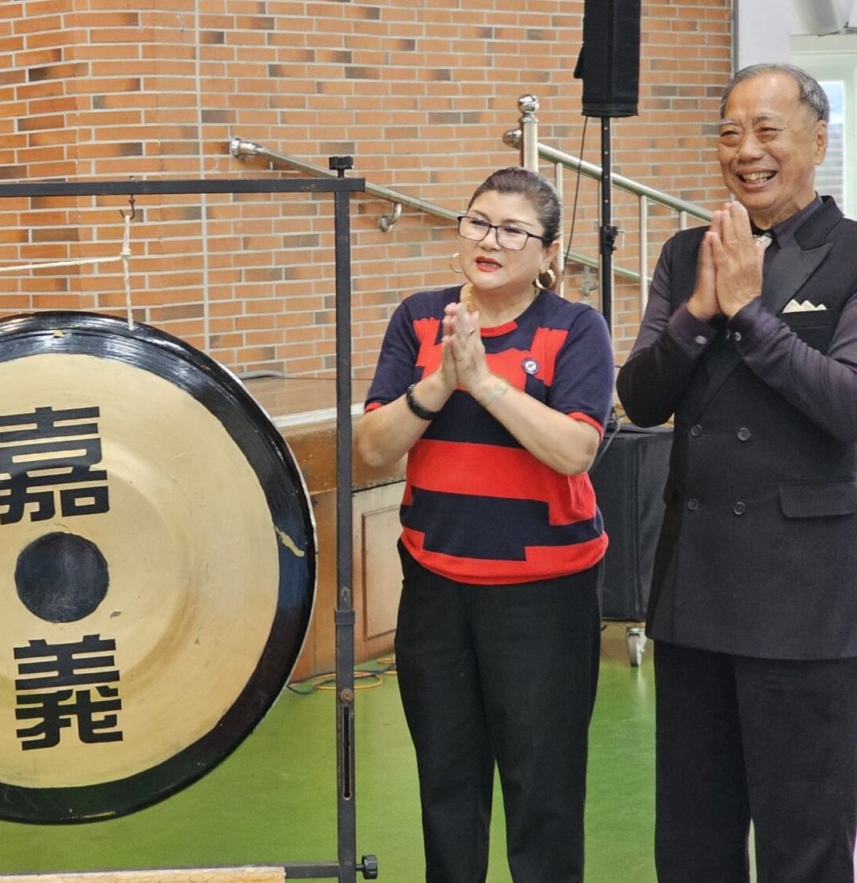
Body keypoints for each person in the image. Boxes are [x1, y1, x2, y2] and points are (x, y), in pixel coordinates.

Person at [617, 63, 857, 883]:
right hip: (695, 590)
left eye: (767, 130)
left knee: (805, 835)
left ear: (818, 141)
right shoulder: (689, 250)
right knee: (693, 836)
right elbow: (641, 398)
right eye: (729, 132)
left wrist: (752, 314)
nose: (745, 151)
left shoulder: (853, 253)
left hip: (807, 598)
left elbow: (847, 405)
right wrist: (699, 311)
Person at [355, 166, 615, 883]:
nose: (489, 240)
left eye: (511, 229)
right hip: (436, 584)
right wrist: (440, 381)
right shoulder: (419, 317)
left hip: (545, 593)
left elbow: (575, 447)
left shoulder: (575, 327)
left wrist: (486, 383)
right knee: (446, 779)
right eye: (476, 221)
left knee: (543, 787)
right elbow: (373, 446)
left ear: (548, 252)